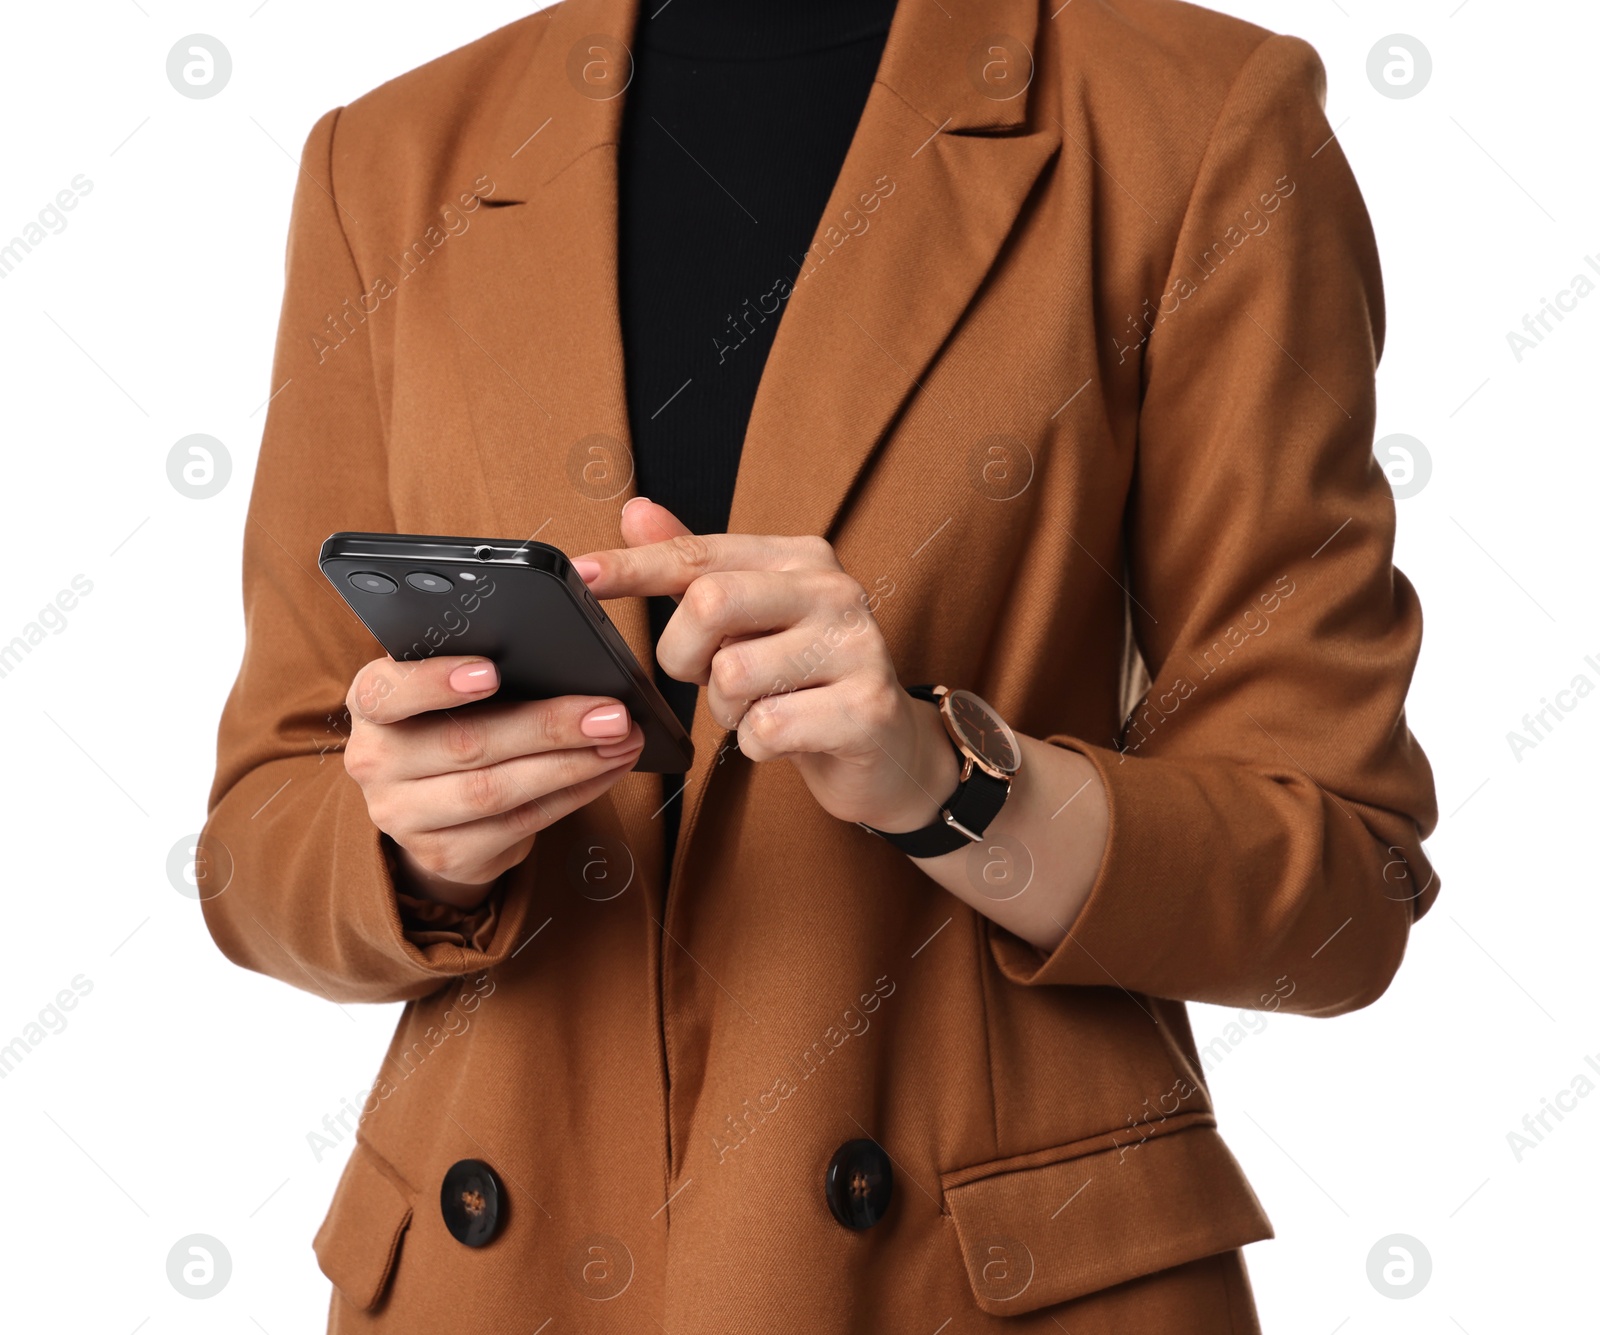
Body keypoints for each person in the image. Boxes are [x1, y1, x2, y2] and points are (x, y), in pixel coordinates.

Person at [199, 0, 1441, 1329]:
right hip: (493, 1271)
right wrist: (417, 846)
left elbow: (1339, 890)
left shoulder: (1196, 121)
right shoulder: (387, 161)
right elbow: (256, 843)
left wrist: (949, 783)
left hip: (971, 1289)